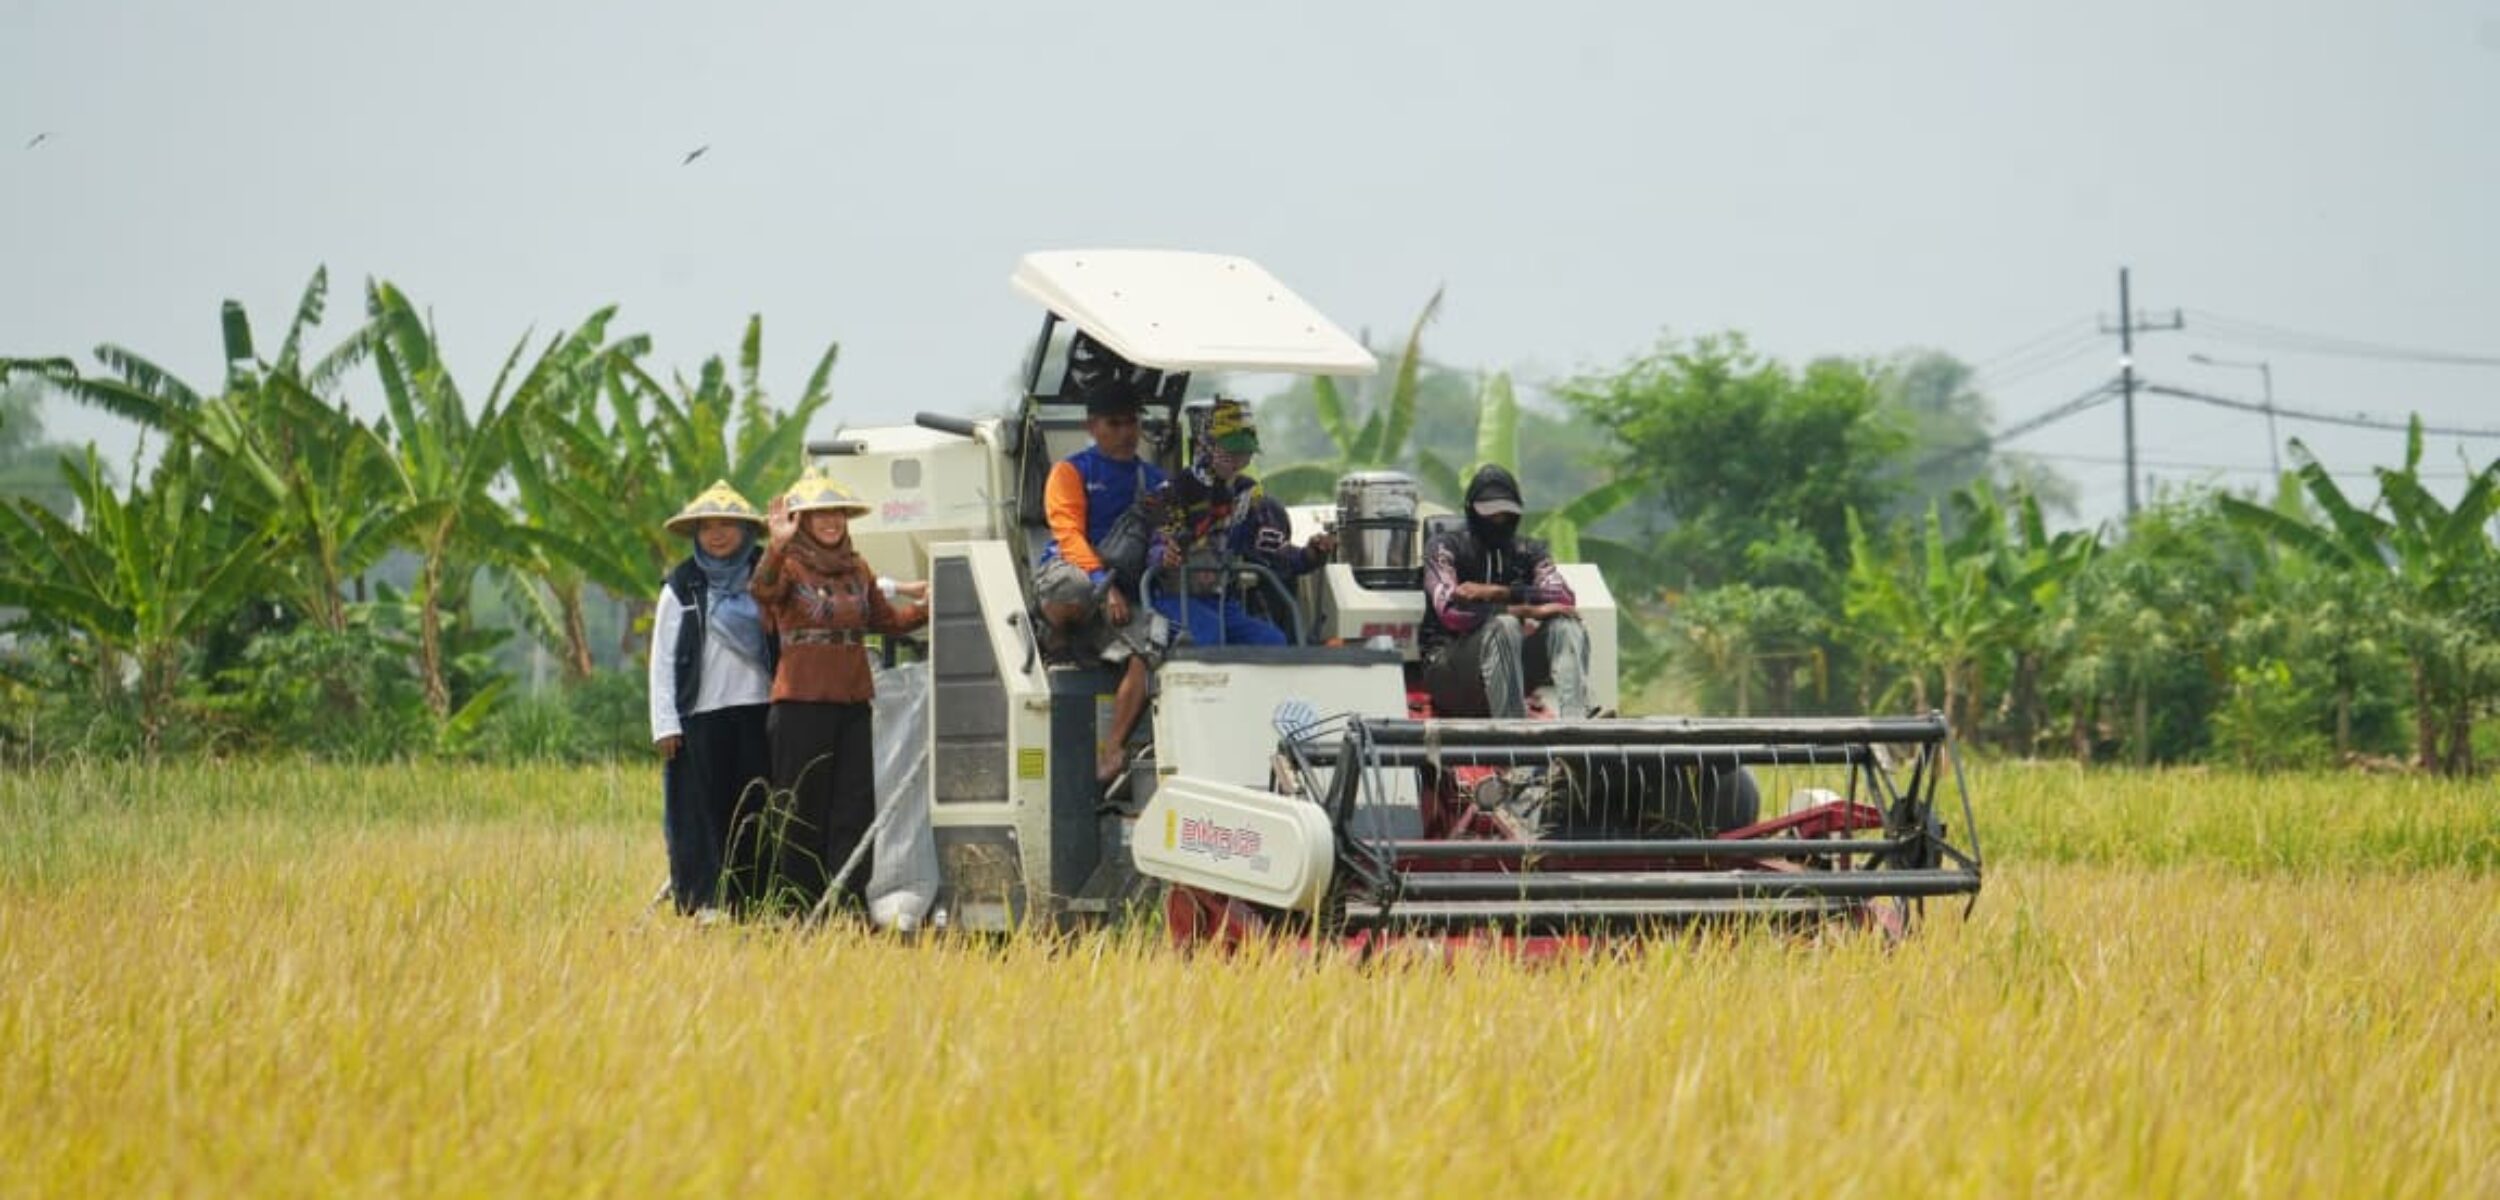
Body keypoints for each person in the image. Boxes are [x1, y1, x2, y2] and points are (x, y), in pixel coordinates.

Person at [745, 471, 929, 919]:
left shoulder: (857, 568)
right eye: (819, 514)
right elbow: (761, 590)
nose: (831, 522)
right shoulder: (787, 565)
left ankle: (846, 907)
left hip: (851, 704)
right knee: (801, 808)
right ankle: (796, 907)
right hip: (800, 704)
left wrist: (927, 608)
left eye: (837, 513)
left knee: (854, 808)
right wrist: (776, 544)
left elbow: (885, 621)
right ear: (802, 521)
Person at [1032, 379, 1172, 784]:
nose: (1127, 433)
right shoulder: (1071, 471)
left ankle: (1113, 750)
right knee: (1074, 589)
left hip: (1122, 596)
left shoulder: (1155, 479)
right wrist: (1102, 583)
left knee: (1152, 650)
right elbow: (1067, 534)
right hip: (1073, 577)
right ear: (1092, 426)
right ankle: (1056, 630)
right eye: (1115, 423)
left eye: (1132, 422)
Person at [647, 480, 776, 919]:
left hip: (759, 710)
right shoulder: (681, 587)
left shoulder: (767, 574)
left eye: (728, 525)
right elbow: (662, 659)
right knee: (702, 812)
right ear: (695, 534)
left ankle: (755, 902)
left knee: (756, 810)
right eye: (707, 527)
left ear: (746, 531)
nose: (717, 535)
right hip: (701, 714)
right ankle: (705, 902)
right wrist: (665, 722)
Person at [1150, 397, 1334, 647]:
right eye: (1230, 452)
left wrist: (1312, 554)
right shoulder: (1172, 491)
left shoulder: (1246, 496)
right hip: (1173, 599)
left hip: (1223, 601)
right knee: (1211, 635)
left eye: (1245, 453)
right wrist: (1166, 555)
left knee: (1274, 641)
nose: (1237, 461)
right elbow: (1155, 546)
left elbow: (1273, 551)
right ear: (1206, 445)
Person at [1419, 463, 1590, 719]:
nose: (1499, 520)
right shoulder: (1445, 547)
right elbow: (1451, 614)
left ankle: (1576, 727)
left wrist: (1497, 593)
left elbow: (1563, 598)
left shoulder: (1528, 551)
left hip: (1512, 670)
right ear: (1471, 510)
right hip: (1449, 668)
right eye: (1491, 513)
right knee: (1505, 625)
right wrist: (1526, 610)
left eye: (1506, 513)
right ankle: (1514, 737)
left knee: (1567, 625)